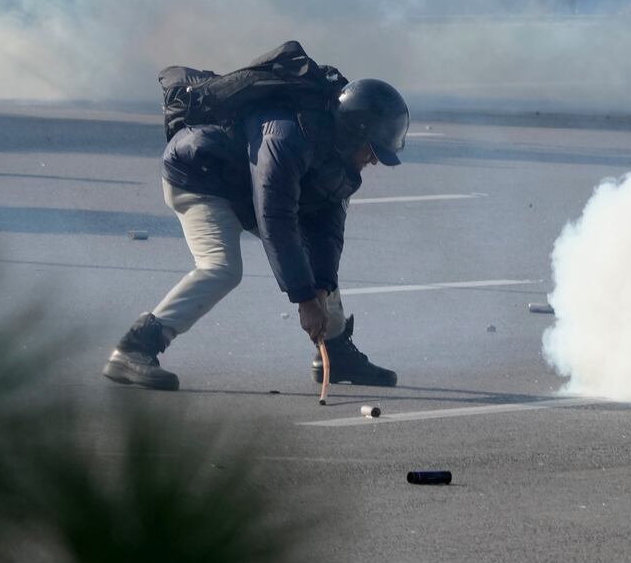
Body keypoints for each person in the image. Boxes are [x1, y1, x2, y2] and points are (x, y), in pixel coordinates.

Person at [103, 77, 409, 391]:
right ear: (353, 132)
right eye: (372, 150)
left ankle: (335, 351)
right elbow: (275, 219)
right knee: (222, 269)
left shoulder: (339, 156)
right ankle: (135, 348)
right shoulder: (286, 137)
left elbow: (326, 233)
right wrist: (305, 300)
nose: (373, 161)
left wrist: (321, 288)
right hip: (201, 176)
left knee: (313, 264)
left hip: (243, 187)